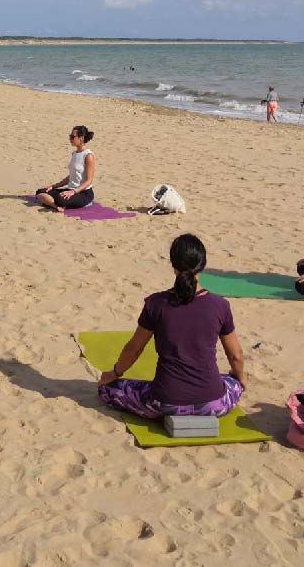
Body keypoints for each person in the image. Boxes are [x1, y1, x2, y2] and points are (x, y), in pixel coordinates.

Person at [97, 233, 246, 419]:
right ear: (203, 265)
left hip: (164, 402)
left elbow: (134, 349)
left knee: (108, 389)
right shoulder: (220, 305)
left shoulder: (156, 304)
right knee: (231, 381)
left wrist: (115, 372)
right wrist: (240, 378)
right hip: (213, 404)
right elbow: (236, 355)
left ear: (173, 265)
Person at [36, 125, 95, 211]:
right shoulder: (74, 154)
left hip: (83, 193)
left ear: (81, 138)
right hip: (70, 190)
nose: (70, 139)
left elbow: (89, 180)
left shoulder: (88, 156)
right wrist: (53, 186)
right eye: (70, 136)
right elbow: (71, 177)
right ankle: (55, 206)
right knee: (41, 191)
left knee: (60, 200)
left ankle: (51, 203)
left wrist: (73, 192)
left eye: (72, 137)